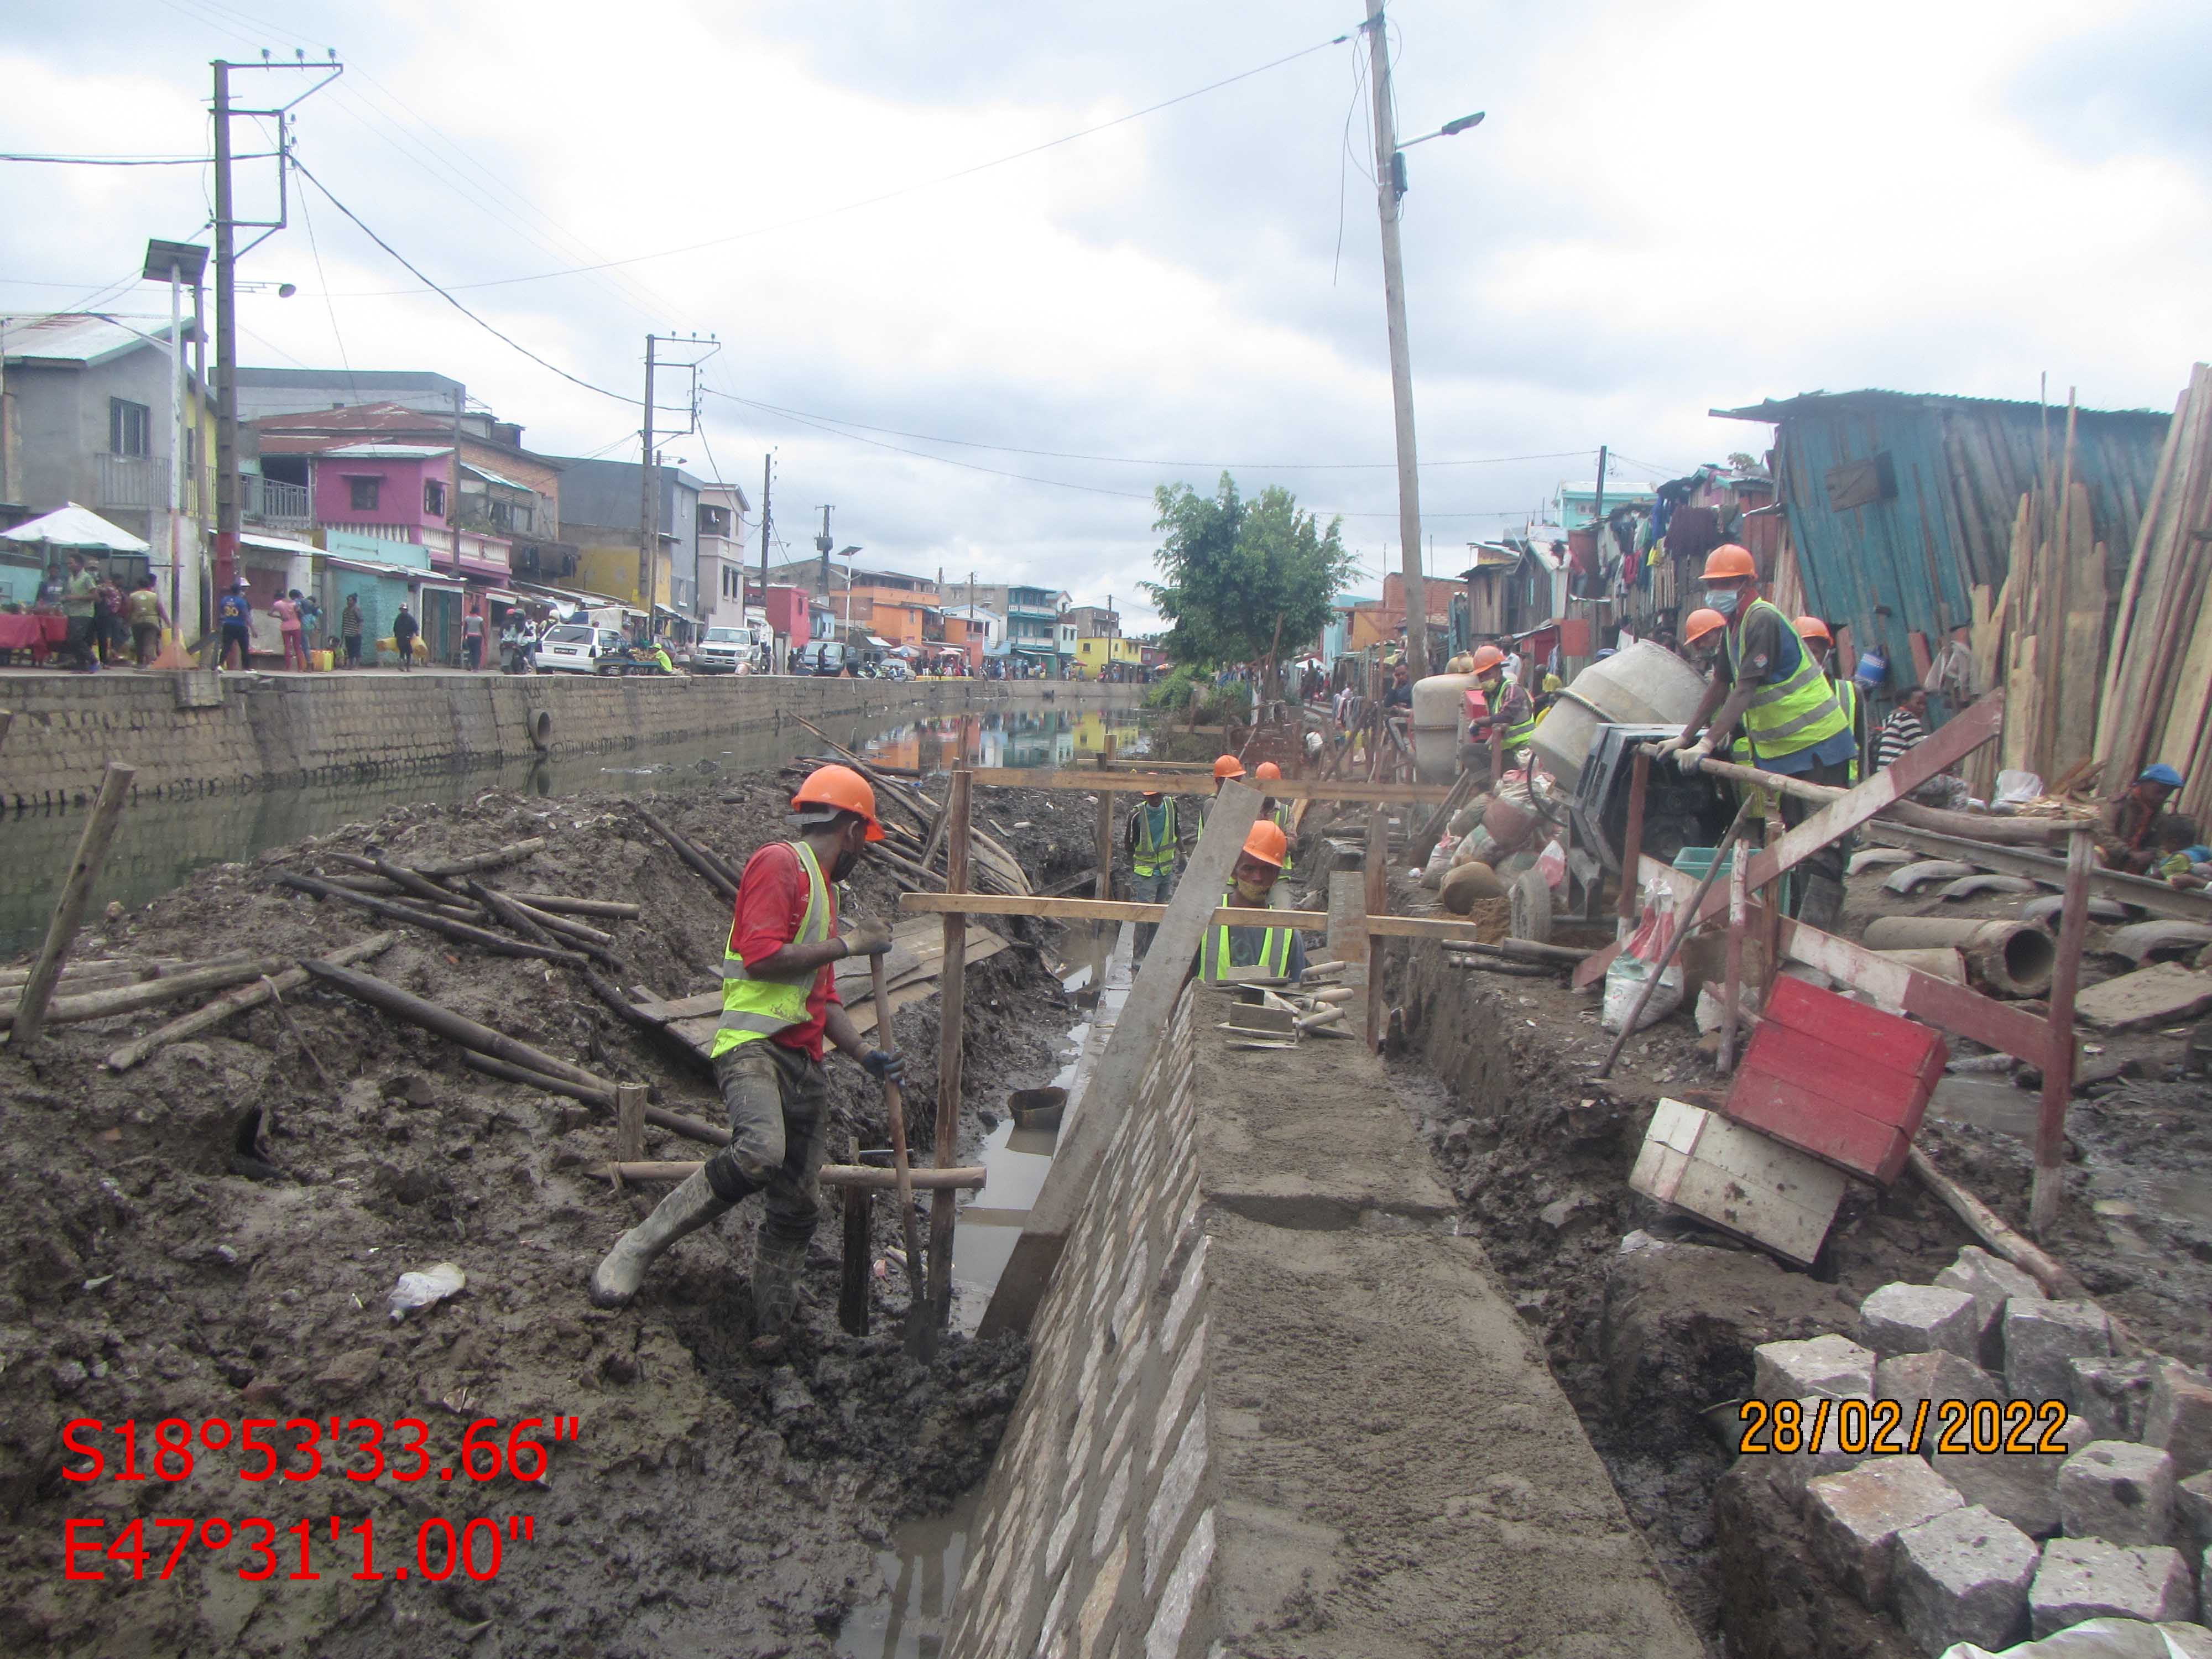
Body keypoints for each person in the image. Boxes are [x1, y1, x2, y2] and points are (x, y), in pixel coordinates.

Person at [589, 764, 903, 1359]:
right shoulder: (778, 864)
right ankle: (637, 1245)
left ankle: (768, 1332)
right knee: (760, 1151)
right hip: (752, 1048)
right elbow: (760, 959)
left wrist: (865, 1055)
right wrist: (849, 945)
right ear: (852, 830)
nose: (864, 850)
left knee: (799, 1203)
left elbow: (823, 996)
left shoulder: (826, 891)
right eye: (866, 839)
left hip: (803, 1060)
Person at [1665, 545, 1858, 929]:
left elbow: (1745, 688)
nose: (1717, 590)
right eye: (1713, 583)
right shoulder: (1734, 627)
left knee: (1821, 842)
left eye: (1726, 583)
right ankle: (1796, 930)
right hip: (1789, 753)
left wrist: (1707, 743)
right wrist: (1686, 737)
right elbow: (1720, 684)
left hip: (1817, 745)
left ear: (1748, 582)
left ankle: (1817, 938)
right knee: (1797, 839)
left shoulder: (1761, 621)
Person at [1196, 821, 1307, 983]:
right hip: (1208, 1008)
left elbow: (1298, 993)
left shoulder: (1287, 933)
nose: (1258, 878)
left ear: (1276, 875)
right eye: (1249, 869)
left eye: (1267, 870)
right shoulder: (1204, 919)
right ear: (1234, 871)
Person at [1795, 616, 1866, 783]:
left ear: (1827, 653)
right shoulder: (1784, 696)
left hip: (1843, 784)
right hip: (1801, 784)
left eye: (1814, 652)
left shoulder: (1851, 692)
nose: (1809, 659)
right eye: (1803, 653)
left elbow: (1863, 744)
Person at [1873, 687, 1969, 808]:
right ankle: (1957, 822)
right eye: (1918, 703)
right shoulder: (1907, 719)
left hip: (1887, 779)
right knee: (1959, 786)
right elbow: (1924, 753)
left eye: (1924, 704)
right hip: (1902, 780)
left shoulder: (1891, 719)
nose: (1922, 708)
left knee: (1942, 786)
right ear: (1904, 703)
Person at [1124, 786, 1187, 957]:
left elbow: (1177, 831)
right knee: (1144, 915)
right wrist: (1134, 868)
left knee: (1159, 914)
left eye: (1158, 795)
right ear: (1145, 796)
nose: (1156, 799)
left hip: (1166, 869)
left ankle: (1151, 952)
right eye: (1152, 797)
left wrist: (1183, 853)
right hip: (1146, 873)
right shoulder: (1137, 815)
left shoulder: (1171, 807)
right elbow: (1129, 844)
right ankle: (1138, 956)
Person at [2096, 763, 2185, 874]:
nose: (2162, 797)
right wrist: (2129, 853)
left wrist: (2152, 854)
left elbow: (2160, 845)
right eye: (2159, 791)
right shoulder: (2117, 805)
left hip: (2135, 870)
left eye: (2167, 794)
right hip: (2106, 863)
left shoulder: (2160, 817)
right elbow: (2102, 835)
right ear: (2143, 784)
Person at [1467, 644, 1536, 770]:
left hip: (1522, 753)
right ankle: (1485, 782)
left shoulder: (1512, 689)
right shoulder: (1491, 694)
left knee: (1469, 752)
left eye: (1487, 674)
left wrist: (1478, 721)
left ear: (1498, 670)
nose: (1483, 679)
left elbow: (1505, 717)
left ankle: (1488, 784)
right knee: (1470, 750)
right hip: (1506, 748)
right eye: (1480, 676)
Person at [1253, 761, 1296, 878]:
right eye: (1264, 786)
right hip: (1251, 873)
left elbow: (1293, 843)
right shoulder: (1249, 810)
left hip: (1278, 874)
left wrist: (1275, 840)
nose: (1267, 792)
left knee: (1281, 898)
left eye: (1270, 787)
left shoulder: (1285, 811)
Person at [61, 554, 101, 671]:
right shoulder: (70, 578)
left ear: (79, 564)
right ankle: (81, 665)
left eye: (71, 563)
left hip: (84, 613)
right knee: (71, 640)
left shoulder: (86, 578)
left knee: (76, 639)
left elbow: (95, 596)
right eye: (68, 563)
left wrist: (76, 598)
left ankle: (93, 659)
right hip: (72, 612)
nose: (69, 566)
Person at [2152, 815, 2208, 890]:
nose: (2162, 846)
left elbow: (2156, 877)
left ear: (2174, 842)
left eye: (2163, 842)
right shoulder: (2199, 852)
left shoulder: (2181, 858)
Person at [126, 576, 166, 668]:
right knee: (150, 642)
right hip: (152, 622)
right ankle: (148, 663)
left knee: (139, 642)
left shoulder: (133, 596)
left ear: (138, 585)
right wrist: (168, 622)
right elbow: (161, 611)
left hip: (137, 622)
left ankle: (140, 663)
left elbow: (129, 610)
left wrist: (127, 622)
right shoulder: (154, 596)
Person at [216, 577, 252, 670]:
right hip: (240, 626)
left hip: (228, 625)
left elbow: (222, 613)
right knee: (244, 647)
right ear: (239, 590)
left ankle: (220, 665)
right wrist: (253, 628)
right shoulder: (241, 601)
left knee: (226, 646)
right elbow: (246, 615)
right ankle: (247, 668)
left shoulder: (224, 600)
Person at [95, 572, 126, 666]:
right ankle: (105, 659)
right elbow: (101, 591)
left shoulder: (117, 590)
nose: (122, 582)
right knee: (103, 637)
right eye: (121, 581)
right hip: (106, 614)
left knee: (116, 635)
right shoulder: (107, 587)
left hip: (113, 615)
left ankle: (111, 655)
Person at [272, 588, 305, 671]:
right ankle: (300, 668)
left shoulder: (277, 604)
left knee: (287, 647)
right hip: (296, 626)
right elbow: (301, 613)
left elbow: (269, 613)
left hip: (285, 627)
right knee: (297, 647)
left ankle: (288, 668)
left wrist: (280, 617)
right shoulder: (294, 603)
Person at [391, 602, 419, 672]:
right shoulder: (399, 618)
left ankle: (408, 667)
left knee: (409, 653)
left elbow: (415, 627)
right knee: (402, 652)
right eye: (402, 610)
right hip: (400, 638)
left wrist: (417, 635)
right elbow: (395, 628)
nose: (403, 611)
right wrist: (396, 635)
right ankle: (402, 666)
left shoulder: (410, 618)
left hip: (408, 638)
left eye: (404, 610)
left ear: (407, 610)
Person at [340, 594, 364, 669]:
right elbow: (344, 623)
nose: (349, 602)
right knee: (349, 650)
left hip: (355, 633)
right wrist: (343, 633)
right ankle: (350, 664)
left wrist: (359, 631)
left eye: (351, 600)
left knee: (356, 650)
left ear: (354, 601)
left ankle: (357, 665)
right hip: (348, 633)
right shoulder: (345, 610)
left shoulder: (356, 610)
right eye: (348, 600)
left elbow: (361, 621)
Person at [462, 606, 486, 671]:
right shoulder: (480, 619)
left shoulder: (467, 618)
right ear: (477, 611)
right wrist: (485, 639)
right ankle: (476, 667)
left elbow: (465, 628)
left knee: (471, 652)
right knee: (477, 652)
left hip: (470, 637)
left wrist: (464, 637)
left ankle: (470, 665)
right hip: (478, 637)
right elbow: (482, 629)